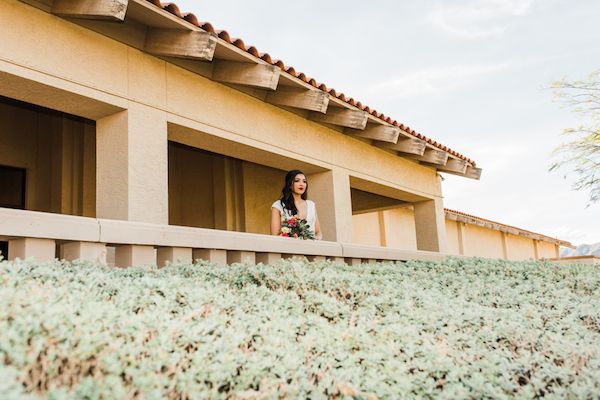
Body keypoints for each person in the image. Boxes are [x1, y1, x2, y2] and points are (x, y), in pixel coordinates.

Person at [271, 170, 322, 240]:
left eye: (304, 181)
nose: (302, 184)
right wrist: (290, 234)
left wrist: (317, 238)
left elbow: (318, 232)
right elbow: (274, 236)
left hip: (310, 248)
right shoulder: (278, 205)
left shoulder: (311, 205)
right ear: (289, 184)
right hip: (288, 248)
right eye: (297, 181)